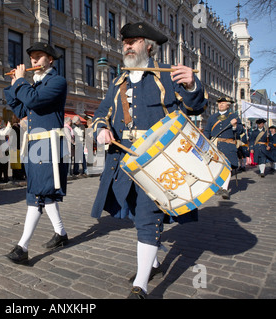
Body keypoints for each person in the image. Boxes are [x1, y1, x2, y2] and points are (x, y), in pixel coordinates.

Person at [90, 22, 208, 298]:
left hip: (157, 160)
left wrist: (192, 82)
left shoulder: (165, 75)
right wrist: (101, 129)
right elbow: (101, 113)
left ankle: (141, 286)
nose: (128, 46)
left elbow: (196, 105)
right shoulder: (118, 81)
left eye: (134, 41)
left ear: (149, 46)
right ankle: (153, 261)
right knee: (134, 211)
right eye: (125, 42)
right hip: (124, 161)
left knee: (146, 215)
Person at [4, 41, 69, 264]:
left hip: (49, 143)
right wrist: (14, 85)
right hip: (35, 144)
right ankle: (61, 234)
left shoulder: (56, 81)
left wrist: (21, 82)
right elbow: (23, 110)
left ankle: (22, 247)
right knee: (43, 190)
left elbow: (34, 101)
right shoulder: (35, 85)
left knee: (37, 193)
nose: (34, 60)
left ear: (50, 59)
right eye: (32, 57)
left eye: (39, 56)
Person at [203, 97, 243, 200]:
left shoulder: (233, 116)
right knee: (214, 166)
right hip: (215, 145)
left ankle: (224, 188)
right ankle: (217, 187)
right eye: (219, 103)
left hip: (228, 145)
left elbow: (240, 131)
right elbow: (207, 131)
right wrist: (205, 143)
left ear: (228, 105)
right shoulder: (212, 117)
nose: (220, 105)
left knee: (227, 167)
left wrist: (234, 126)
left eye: (223, 103)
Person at [10, 114, 26, 181]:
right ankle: (18, 176)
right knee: (18, 162)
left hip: (13, 147)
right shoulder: (16, 128)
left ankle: (15, 175)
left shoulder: (13, 127)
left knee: (15, 162)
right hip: (17, 146)